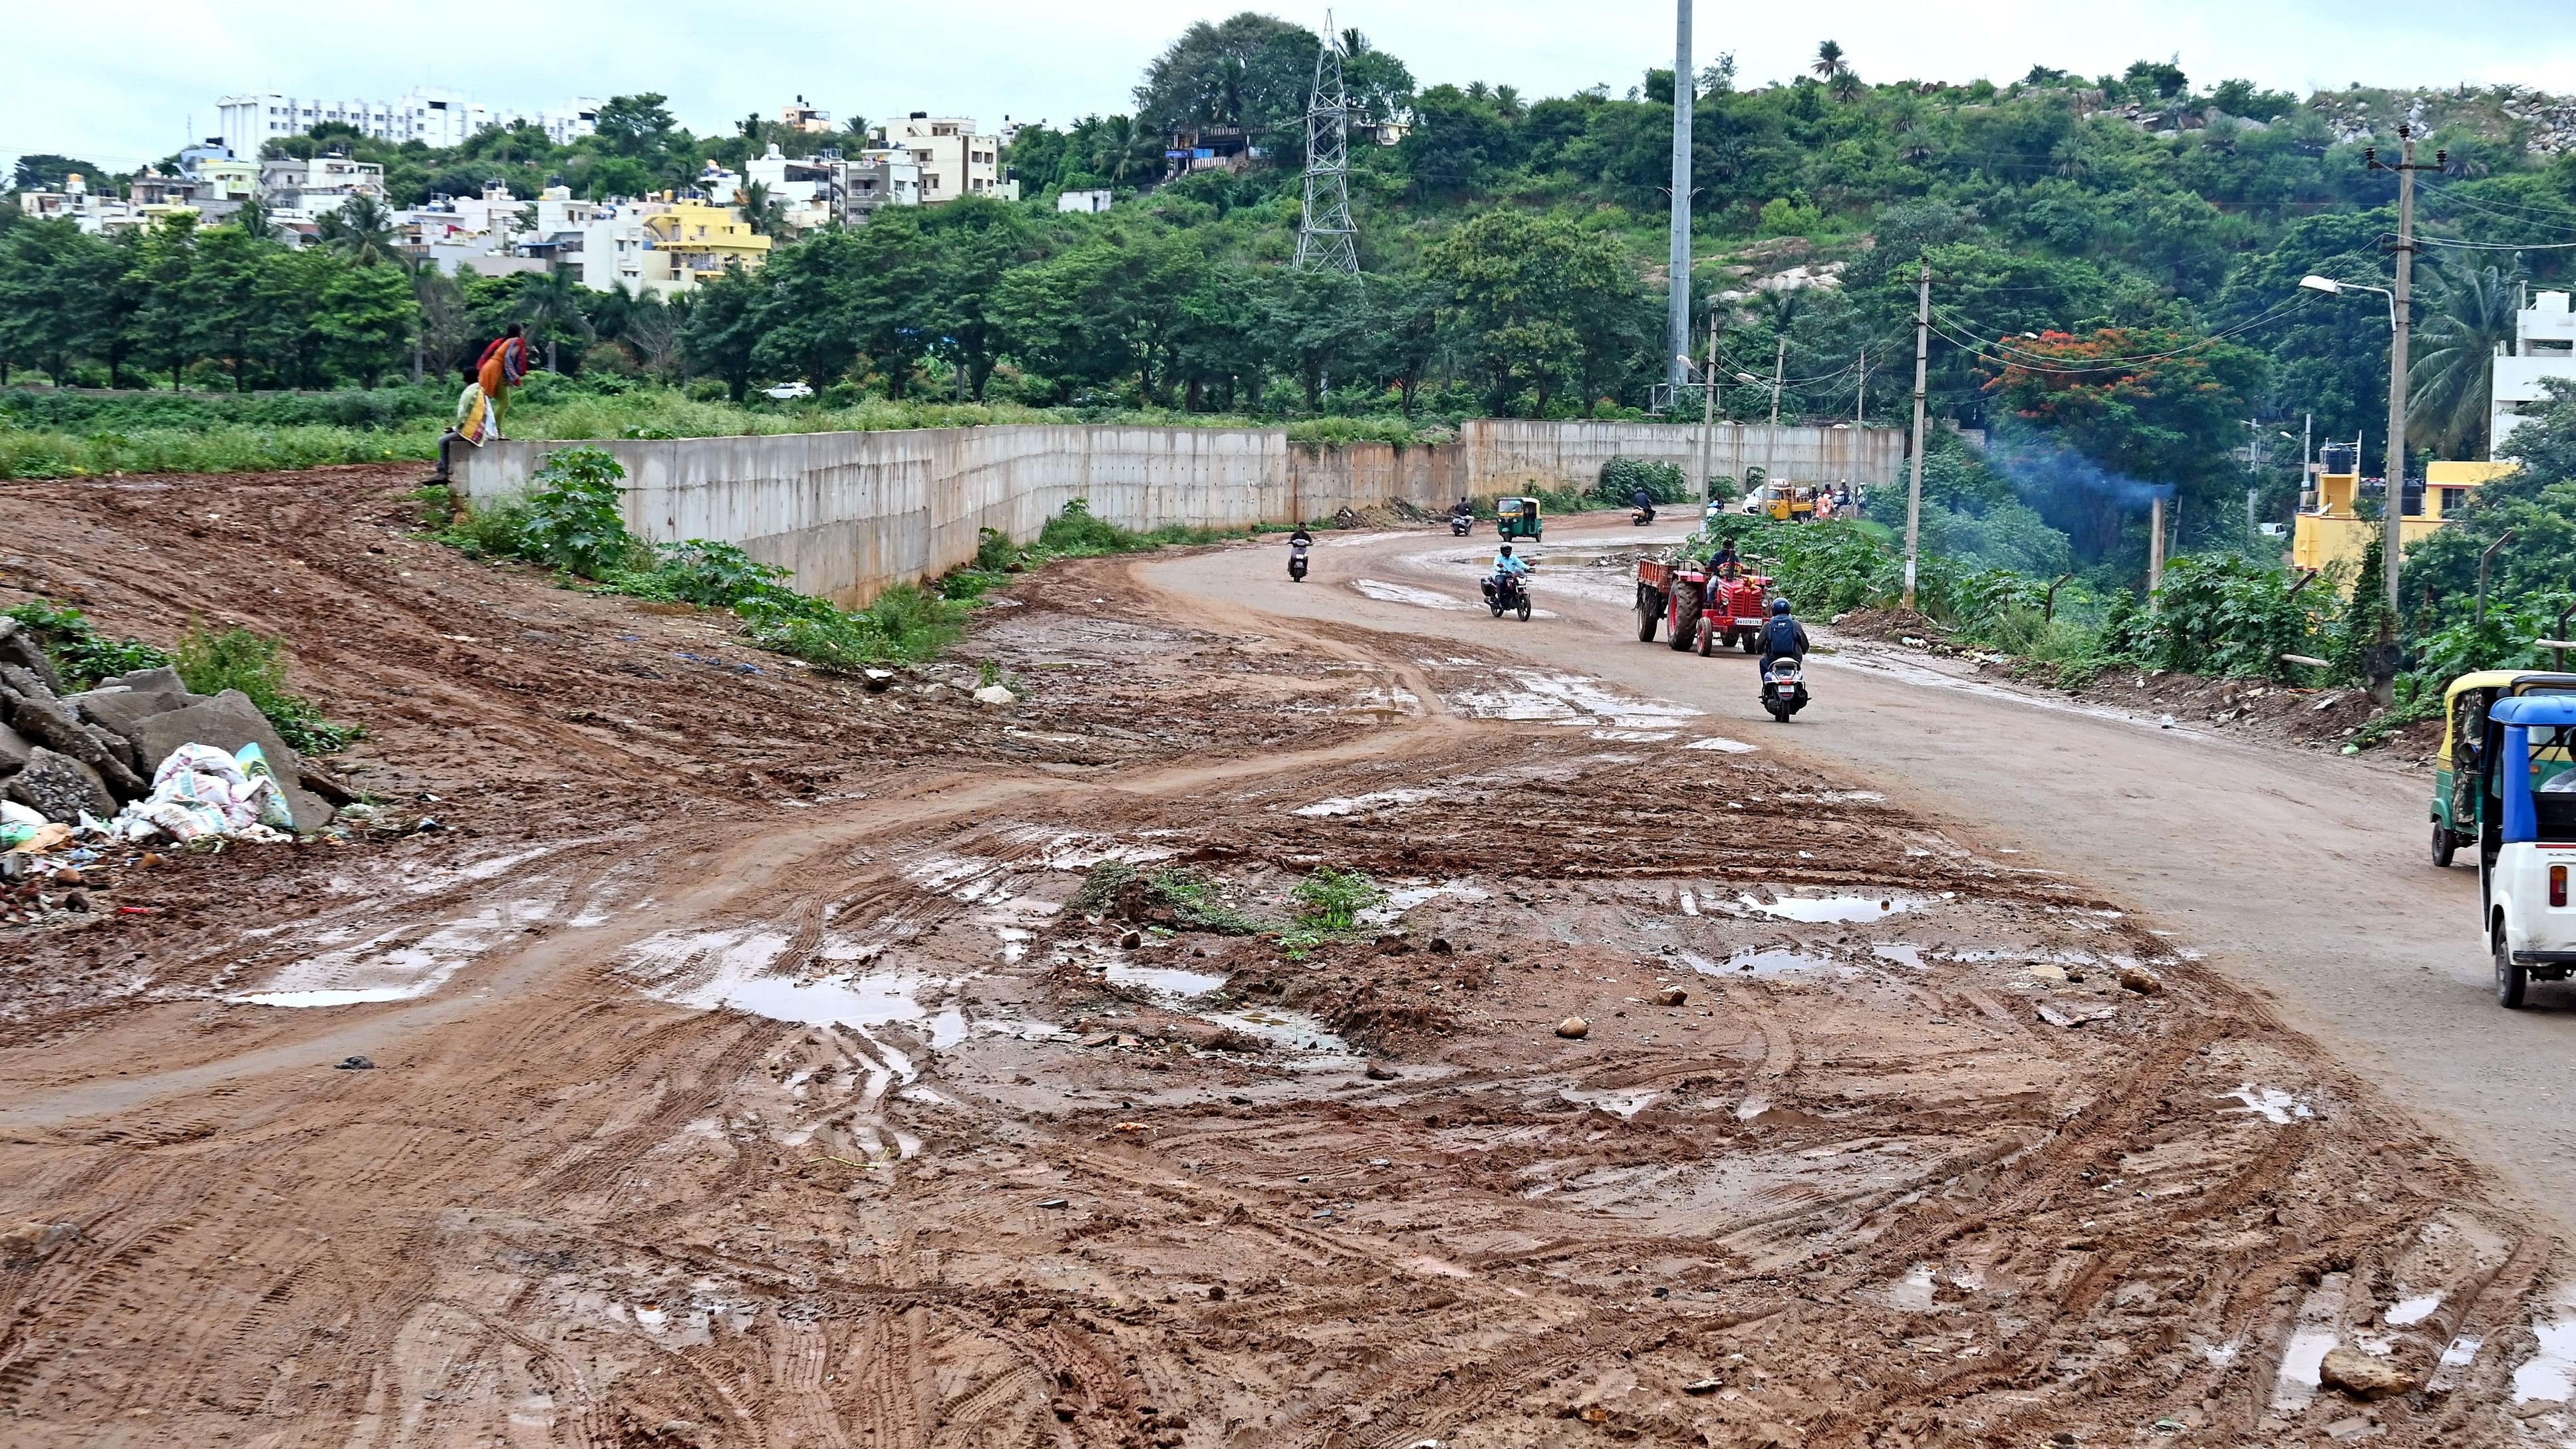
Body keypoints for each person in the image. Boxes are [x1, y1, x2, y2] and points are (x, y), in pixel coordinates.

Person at [475, 323, 533, 438]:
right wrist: (513, 376)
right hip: (495, 369)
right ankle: (495, 430)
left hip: (489, 367)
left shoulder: (505, 341)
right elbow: (510, 357)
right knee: (504, 402)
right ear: (520, 332)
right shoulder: (518, 341)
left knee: (485, 402)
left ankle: (486, 430)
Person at [1759, 596, 1809, 670]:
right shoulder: (1796, 624)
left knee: (1763, 663)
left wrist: (1762, 650)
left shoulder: (1768, 625)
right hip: (1794, 660)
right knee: (1798, 672)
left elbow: (1758, 646)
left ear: (1773, 610)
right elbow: (1805, 646)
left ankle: (1766, 682)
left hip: (1773, 660)